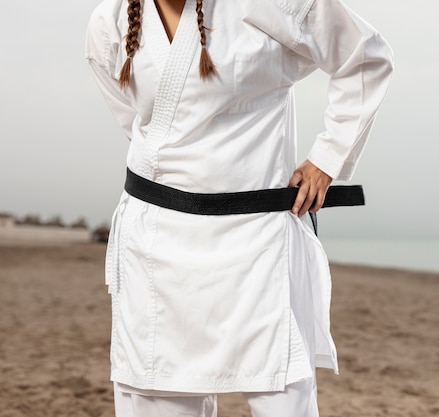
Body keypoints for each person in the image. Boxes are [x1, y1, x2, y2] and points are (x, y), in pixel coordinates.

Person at [85, 0, 393, 415]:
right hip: (157, 246)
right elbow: (142, 127)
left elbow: (364, 57)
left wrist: (328, 160)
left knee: (284, 401)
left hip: (256, 247)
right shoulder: (110, 21)